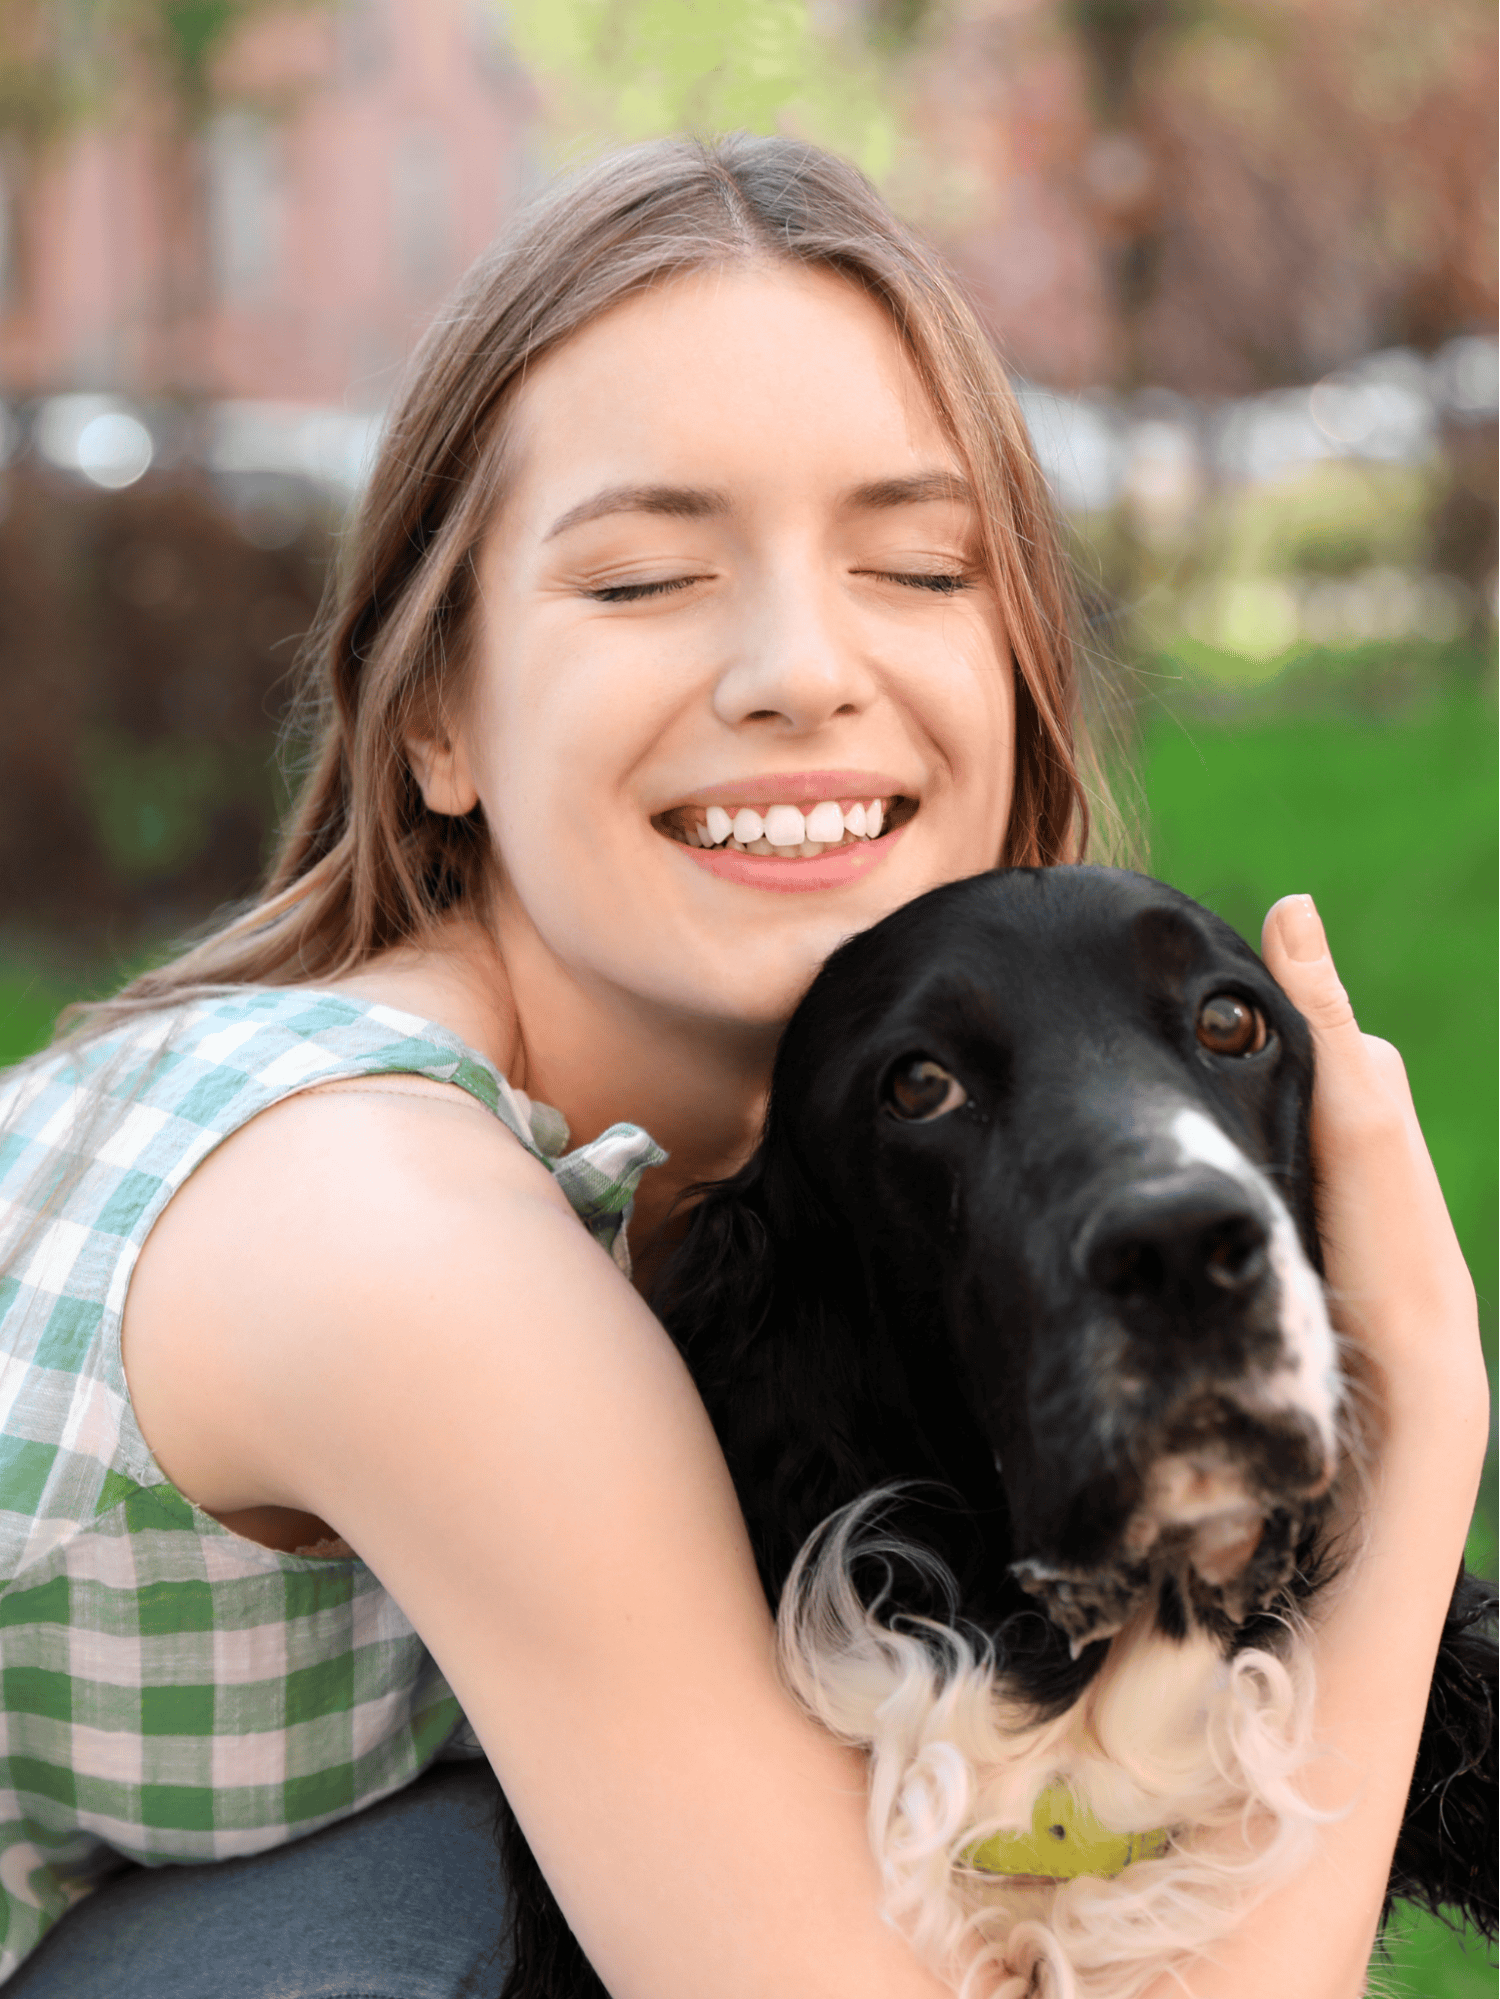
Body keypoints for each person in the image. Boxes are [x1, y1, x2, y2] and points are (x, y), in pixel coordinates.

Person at [0, 135, 1485, 1999]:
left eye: (918, 564)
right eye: (642, 579)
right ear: (438, 711)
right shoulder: (389, 1228)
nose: (802, 666)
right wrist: (1411, 1442)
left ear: (1019, 675)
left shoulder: (722, 1202)